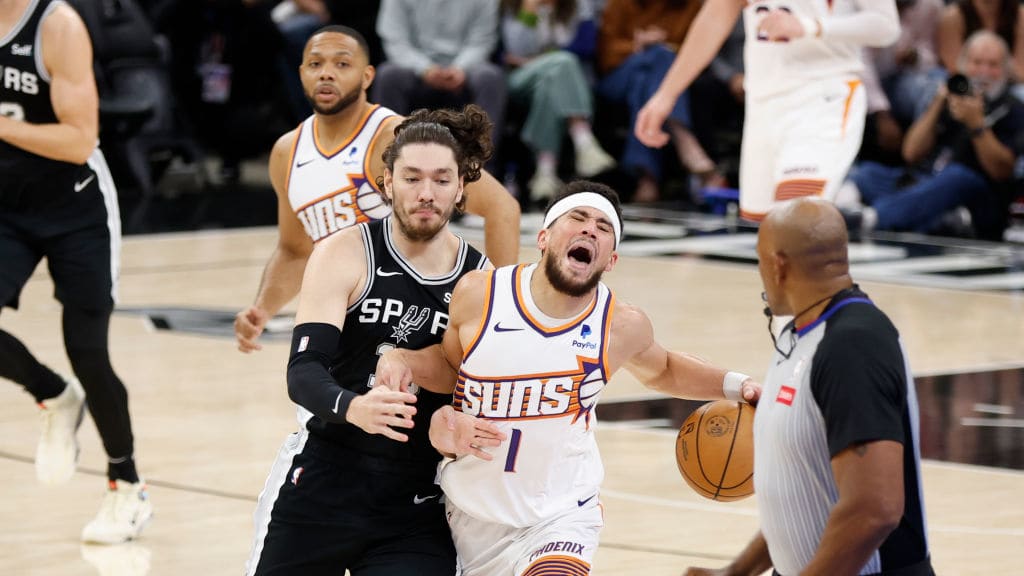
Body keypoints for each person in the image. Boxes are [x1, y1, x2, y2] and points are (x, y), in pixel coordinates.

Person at [374, 179, 761, 574]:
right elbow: (451, 367)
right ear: (543, 237)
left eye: (603, 227)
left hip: (560, 515)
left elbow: (663, 369)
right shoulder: (480, 295)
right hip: (469, 513)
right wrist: (403, 360)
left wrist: (737, 384)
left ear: (610, 260)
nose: (590, 229)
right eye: (577, 218)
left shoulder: (619, 325)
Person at [244, 104, 494, 575]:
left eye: (442, 180)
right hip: (322, 479)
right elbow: (303, 373)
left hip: (414, 500)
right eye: (412, 178)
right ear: (386, 182)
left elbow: (480, 392)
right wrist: (354, 408)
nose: (426, 193)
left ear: (461, 187)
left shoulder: (481, 280)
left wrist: (454, 421)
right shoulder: (346, 252)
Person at [685, 197, 934, 576]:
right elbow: (804, 494)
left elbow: (874, 509)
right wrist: (736, 572)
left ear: (778, 264)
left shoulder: (853, 344)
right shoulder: (802, 335)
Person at [234, 25, 520, 354]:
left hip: (413, 321)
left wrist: (500, 305)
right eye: (316, 64)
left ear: (367, 76)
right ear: (301, 73)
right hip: (341, 322)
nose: (326, 74)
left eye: (342, 64)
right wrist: (262, 309)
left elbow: (502, 208)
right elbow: (296, 250)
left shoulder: (395, 136)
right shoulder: (287, 152)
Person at [0, 0, 152, 543]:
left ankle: (126, 486)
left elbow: (78, 139)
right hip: (7, 206)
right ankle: (51, 394)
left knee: (87, 350)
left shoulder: (56, 25)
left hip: (76, 208)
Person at [634, 0, 900, 220]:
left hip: (823, 94)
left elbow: (886, 25)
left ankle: (838, 283)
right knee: (769, 239)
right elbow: (715, 18)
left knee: (794, 222)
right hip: (763, 103)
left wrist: (810, 26)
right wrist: (666, 94)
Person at [848, 31, 1024, 240]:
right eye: (977, 63)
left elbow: (1002, 171)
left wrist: (977, 125)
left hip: (978, 197)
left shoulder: (1013, 107)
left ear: (1004, 70)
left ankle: (871, 218)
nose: (983, 72)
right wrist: (938, 102)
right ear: (963, 65)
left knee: (958, 177)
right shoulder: (949, 99)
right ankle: (929, 217)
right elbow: (911, 153)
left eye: (993, 65)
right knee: (867, 173)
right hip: (926, 183)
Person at [596, 0, 725, 203]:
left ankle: (647, 178)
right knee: (658, 57)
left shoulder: (689, 6)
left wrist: (661, 46)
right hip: (619, 77)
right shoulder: (621, 4)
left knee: (648, 78)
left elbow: (699, 48)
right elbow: (606, 54)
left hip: (658, 81)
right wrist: (638, 45)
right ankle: (684, 138)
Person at [500, 0, 616, 201]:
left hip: (563, 79)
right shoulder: (512, 5)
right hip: (521, 78)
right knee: (564, 62)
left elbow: (586, 46)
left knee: (551, 82)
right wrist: (529, 12)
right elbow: (516, 50)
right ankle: (583, 140)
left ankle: (545, 172)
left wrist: (539, 59)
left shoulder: (578, 5)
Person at [372, 0, 507, 158]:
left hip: (465, 69)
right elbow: (396, 41)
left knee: (490, 77)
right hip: (415, 69)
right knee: (388, 75)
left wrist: (460, 68)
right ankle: (386, 159)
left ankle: (483, 165)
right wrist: (425, 68)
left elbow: (482, 42)